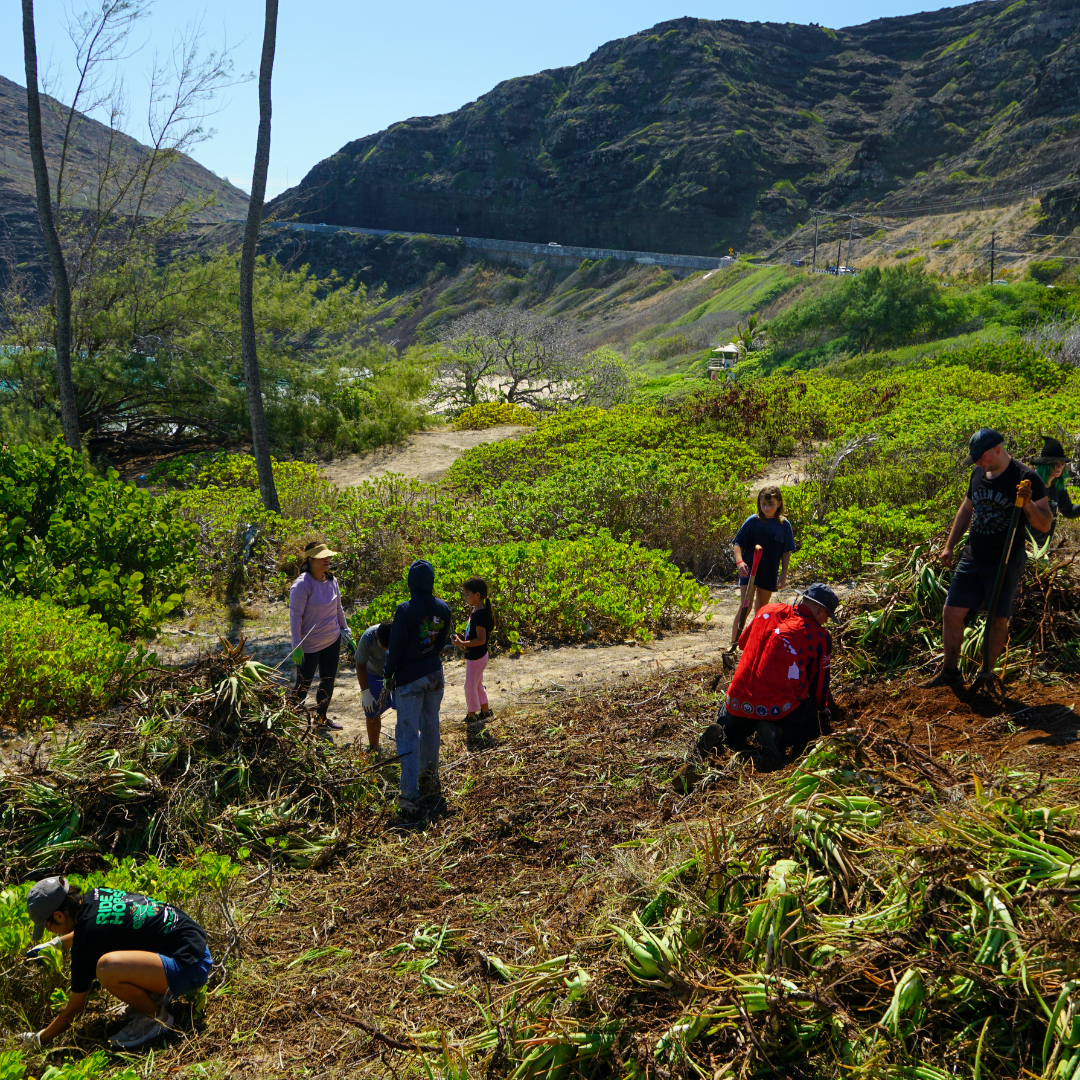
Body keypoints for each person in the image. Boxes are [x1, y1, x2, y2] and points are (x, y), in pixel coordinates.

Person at [921, 428, 1052, 688]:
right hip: (973, 556)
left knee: (997, 618)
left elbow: (1045, 523)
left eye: (981, 457)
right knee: (951, 612)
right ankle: (950, 673)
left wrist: (1027, 504)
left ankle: (986, 675)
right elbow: (966, 509)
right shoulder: (978, 473)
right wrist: (949, 546)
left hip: (1005, 560)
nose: (978, 463)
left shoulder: (1026, 478)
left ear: (997, 450)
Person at [19, 877, 211, 1052]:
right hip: (195, 946)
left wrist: (39, 1039)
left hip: (190, 967)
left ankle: (155, 1018)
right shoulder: (96, 895)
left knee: (106, 968)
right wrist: (57, 944)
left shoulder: (85, 942)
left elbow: (75, 1009)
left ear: (59, 916)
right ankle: (155, 995)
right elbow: (94, 927)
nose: (50, 932)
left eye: (48, 926)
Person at [700, 583, 839, 761]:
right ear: (821, 610)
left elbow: (742, 643)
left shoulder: (767, 610)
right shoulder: (820, 636)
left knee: (733, 731)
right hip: (778, 710)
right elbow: (819, 685)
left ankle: (722, 731)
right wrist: (822, 708)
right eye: (828, 616)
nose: (826, 621)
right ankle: (776, 733)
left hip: (739, 703)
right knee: (810, 724)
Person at [384, 560, 452, 816]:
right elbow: (440, 643)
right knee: (431, 726)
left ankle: (409, 794)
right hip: (434, 673)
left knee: (408, 734)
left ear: (411, 583)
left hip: (410, 678)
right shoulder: (443, 608)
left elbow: (396, 647)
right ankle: (429, 778)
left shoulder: (405, 610)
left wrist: (388, 674)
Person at [728, 486, 797, 651]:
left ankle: (754, 645)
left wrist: (784, 574)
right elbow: (738, 544)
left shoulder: (784, 525)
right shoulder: (753, 521)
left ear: (779, 503)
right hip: (749, 570)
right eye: (763, 504)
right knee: (745, 607)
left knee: (761, 610)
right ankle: (734, 644)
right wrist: (739, 562)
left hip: (769, 571)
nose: (766, 508)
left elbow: (786, 552)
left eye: (770, 504)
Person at [289, 540, 348, 730]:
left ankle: (321, 719)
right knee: (302, 685)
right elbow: (295, 617)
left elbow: (338, 609)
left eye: (328, 556)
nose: (327, 560)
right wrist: (297, 646)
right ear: (311, 560)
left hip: (332, 640)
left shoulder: (332, 581)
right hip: (309, 646)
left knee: (328, 681)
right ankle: (287, 721)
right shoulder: (301, 585)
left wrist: (346, 631)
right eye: (322, 557)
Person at [451, 576, 495, 727]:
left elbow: (481, 639)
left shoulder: (480, 614)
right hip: (478, 655)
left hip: (476, 657)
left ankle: (472, 715)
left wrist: (461, 643)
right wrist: (462, 641)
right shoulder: (477, 610)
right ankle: (485, 711)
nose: (465, 597)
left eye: (467, 594)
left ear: (477, 594)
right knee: (477, 684)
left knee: (469, 686)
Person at [1028, 436, 1079, 546]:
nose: (1059, 466)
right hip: (1026, 546)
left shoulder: (1058, 487)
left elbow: (1070, 511)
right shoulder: (1031, 486)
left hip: (1042, 548)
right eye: (1054, 463)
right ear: (1045, 465)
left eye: (1062, 462)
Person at [355, 621, 395, 753]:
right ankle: (374, 748)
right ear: (376, 635)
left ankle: (407, 743)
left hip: (396, 672)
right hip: (373, 673)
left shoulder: (400, 633)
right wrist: (365, 692)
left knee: (404, 707)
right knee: (372, 710)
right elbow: (360, 666)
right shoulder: (367, 638)